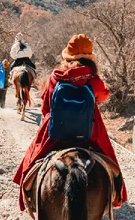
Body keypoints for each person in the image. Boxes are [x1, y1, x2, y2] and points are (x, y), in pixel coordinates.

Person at [12, 34, 127, 210]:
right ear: (89, 58)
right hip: (89, 130)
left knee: (32, 158)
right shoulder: (93, 79)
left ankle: (27, 193)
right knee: (110, 159)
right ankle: (117, 196)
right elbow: (104, 95)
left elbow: (46, 106)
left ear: (67, 56)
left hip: (58, 130)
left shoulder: (55, 76)